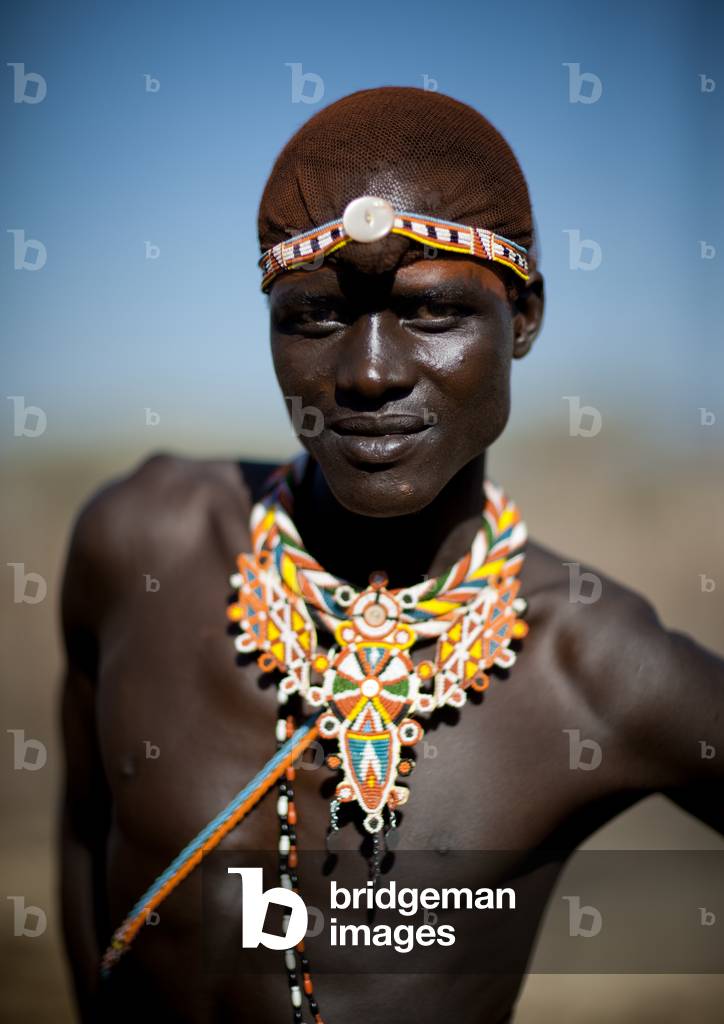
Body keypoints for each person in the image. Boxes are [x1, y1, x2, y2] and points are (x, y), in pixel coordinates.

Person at [59, 86, 724, 1023]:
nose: (369, 373)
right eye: (316, 317)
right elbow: (84, 838)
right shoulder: (137, 545)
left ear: (522, 320)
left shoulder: (597, 670)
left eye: (434, 311)